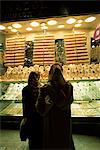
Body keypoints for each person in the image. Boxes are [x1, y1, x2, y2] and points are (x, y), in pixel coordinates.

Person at [36, 63, 75, 150]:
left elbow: (40, 109)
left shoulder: (45, 89)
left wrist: (47, 103)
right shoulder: (69, 88)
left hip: (51, 125)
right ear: (62, 73)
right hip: (64, 124)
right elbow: (67, 102)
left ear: (50, 74)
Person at [21, 71, 43, 150]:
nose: (36, 79)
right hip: (34, 116)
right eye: (35, 78)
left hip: (37, 115)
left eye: (37, 78)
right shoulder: (27, 89)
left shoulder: (41, 88)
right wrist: (25, 117)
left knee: (36, 134)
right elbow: (25, 104)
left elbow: (24, 104)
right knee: (34, 134)